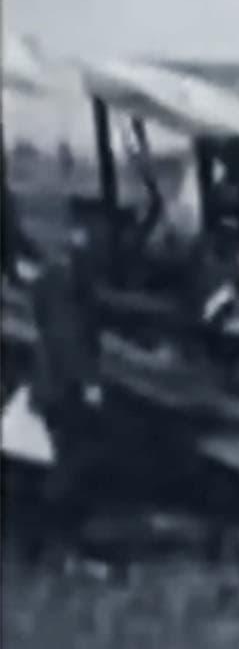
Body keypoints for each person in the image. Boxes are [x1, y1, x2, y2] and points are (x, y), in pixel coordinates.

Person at [27, 200, 112, 540]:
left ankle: (54, 535)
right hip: (62, 383)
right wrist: (89, 382)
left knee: (69, 455)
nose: (96, 240)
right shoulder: (64, 278)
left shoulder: (55, 274)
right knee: (71, 459)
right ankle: (53, 537)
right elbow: (68, 334)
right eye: (92, 232)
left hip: (52, 380)